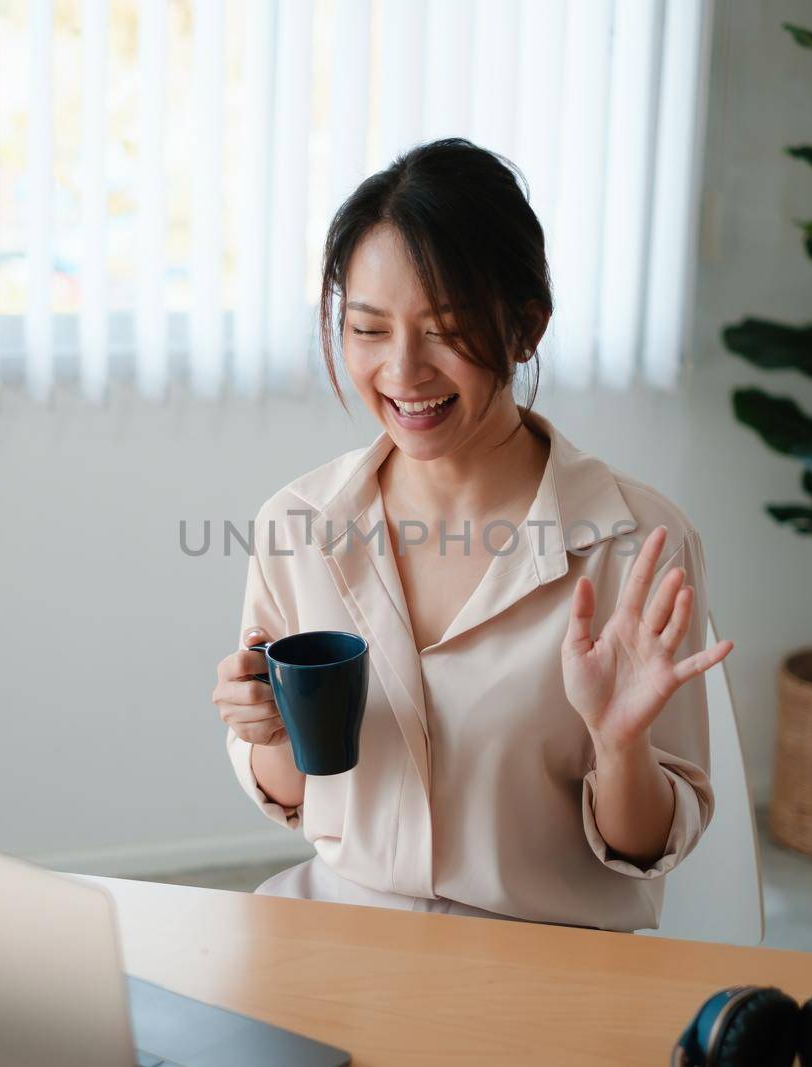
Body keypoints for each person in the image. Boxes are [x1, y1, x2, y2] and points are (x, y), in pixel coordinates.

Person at [211, 138, 733, 933]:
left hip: (544, 958)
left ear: (525, 328)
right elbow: (296, 797)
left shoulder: (641, 542)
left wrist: (621, 744)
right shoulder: (298, 527)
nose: (403, 370)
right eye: (368, 329)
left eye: (446, 329)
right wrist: (269, 731)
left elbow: (650, 846)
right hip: (340, 934)